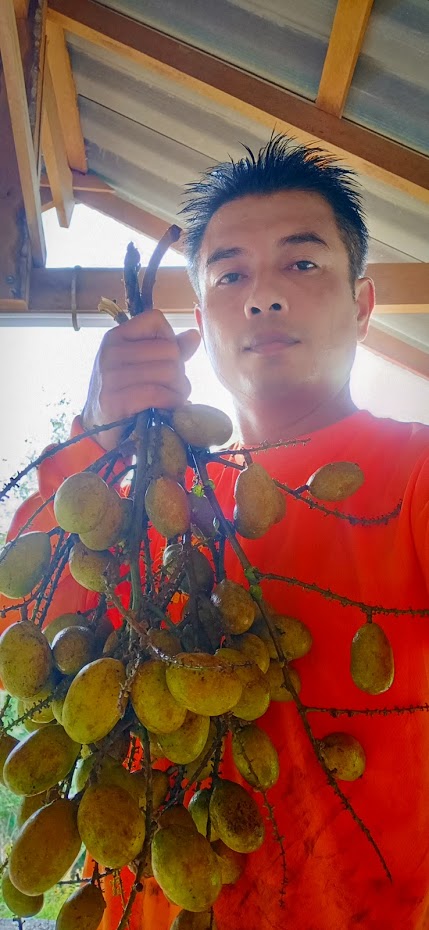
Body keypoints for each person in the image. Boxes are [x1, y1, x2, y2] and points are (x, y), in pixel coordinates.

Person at [1, 136, 429, 930]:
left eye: (302, 263)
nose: (262, 295)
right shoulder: (140, 511)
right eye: (230, 274)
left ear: (362, 305)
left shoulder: (413, 476)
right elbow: (14, 629)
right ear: (199, 322)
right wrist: (93, 437)